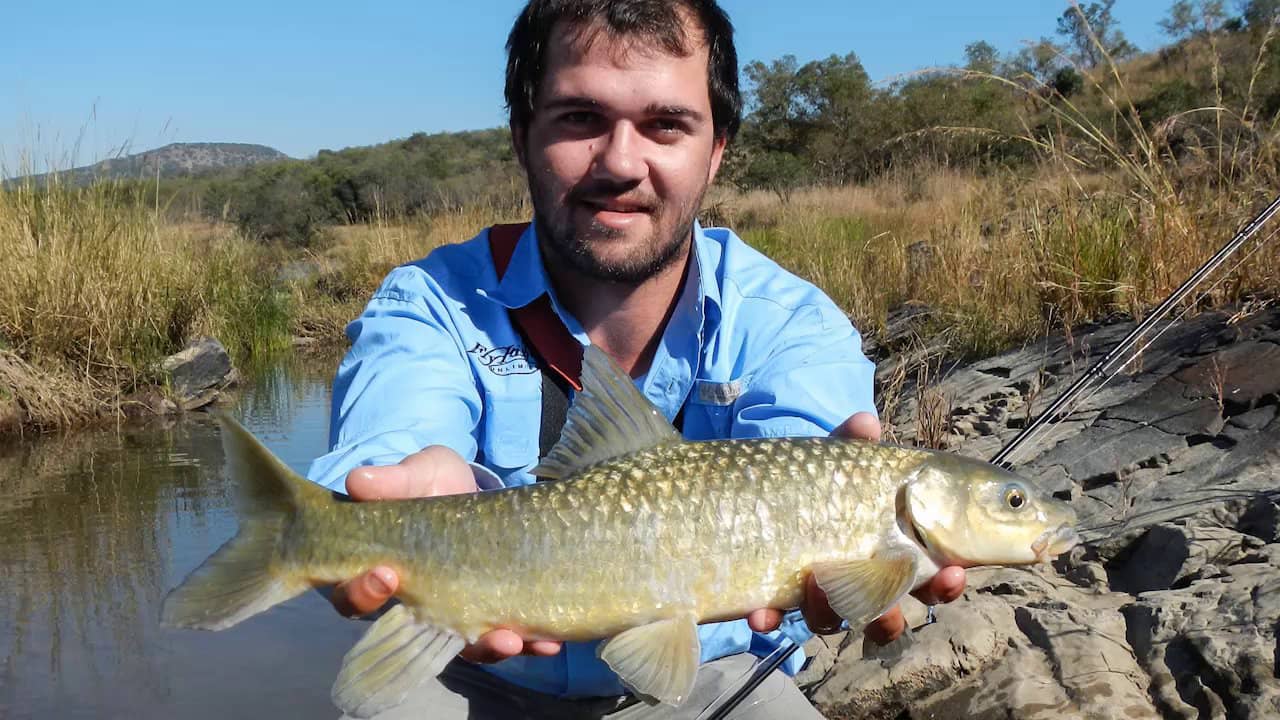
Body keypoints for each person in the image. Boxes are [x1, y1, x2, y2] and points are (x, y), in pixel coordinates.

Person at [306, 0, 965, 717]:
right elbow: (391, 439)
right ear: (522, 137)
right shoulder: (430, 301)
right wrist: (383, 505)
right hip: (468, 662)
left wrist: (853, 565)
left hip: (715, 670)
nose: (621, 163)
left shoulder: (791, 321)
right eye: (581, 118)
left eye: (666, 125)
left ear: (716, 150)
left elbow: (800, 464)